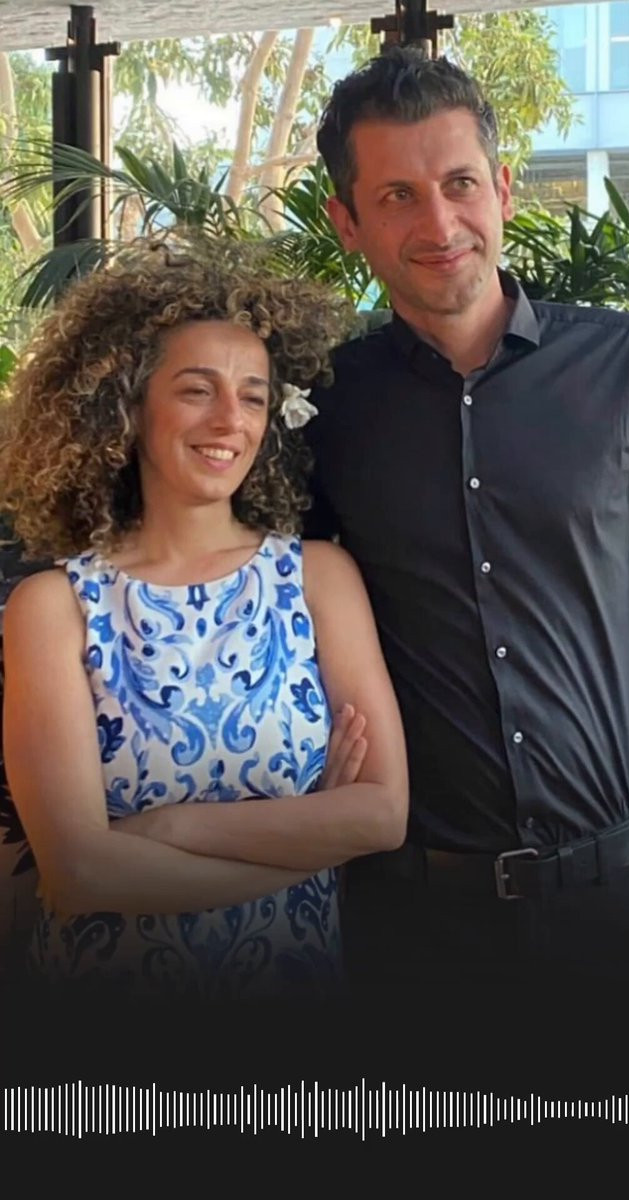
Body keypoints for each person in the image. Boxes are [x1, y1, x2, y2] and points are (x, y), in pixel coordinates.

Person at [302, 46, 629, 1027]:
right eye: (396, 196)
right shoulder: (325, 407)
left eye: (460, 183)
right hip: (410, 929)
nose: (439, 225)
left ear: (503, 189)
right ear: (347, 222)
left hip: (620, 910)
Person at [0, 237, 408, 1011]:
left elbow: (382, 815)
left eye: (253, 396)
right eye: (196, 389)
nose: (229, 420)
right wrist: (307, 840)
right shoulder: (54, 608)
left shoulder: (318, 579)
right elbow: (80, 873)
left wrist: (165, 829)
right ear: (127, 405)